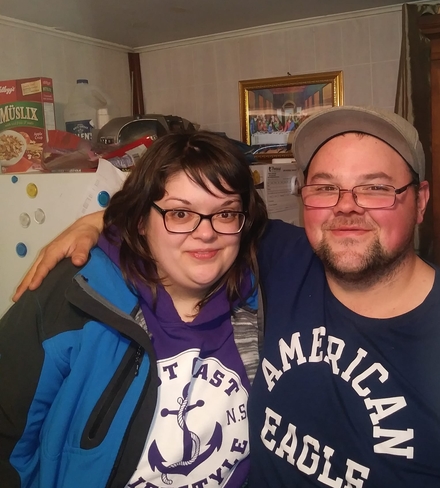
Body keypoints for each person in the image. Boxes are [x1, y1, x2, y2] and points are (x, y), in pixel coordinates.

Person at [10, 107, 440, 487]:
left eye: (376, 188)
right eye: (326, 187)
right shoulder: (283, 258)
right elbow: (191, 217)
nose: (346, 207)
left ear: (420, 200)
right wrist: (99, 220)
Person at [0, 131, 268, 488]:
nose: (206, 233)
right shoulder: (73, 296)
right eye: (180, 213)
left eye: (225, 213)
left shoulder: (264, 298)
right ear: (141, 221)